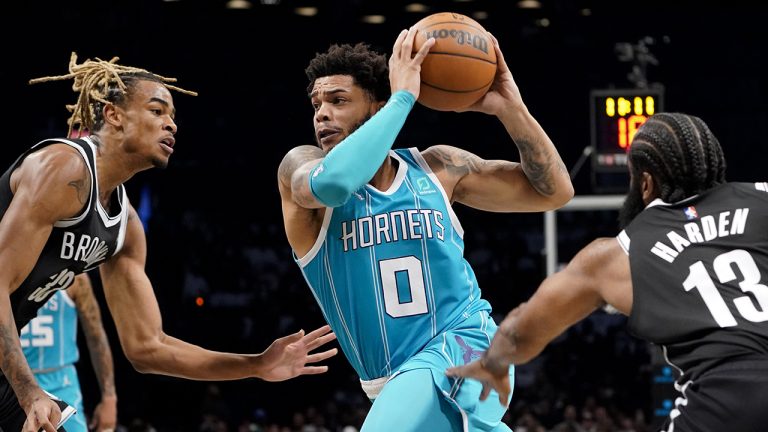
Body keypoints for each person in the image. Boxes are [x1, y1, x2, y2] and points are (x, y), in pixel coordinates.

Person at [0, 52, 338, 432]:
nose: (171, 124)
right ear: (113, 115)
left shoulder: (124, 226)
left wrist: (257, 364)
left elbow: (148, 348)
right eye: (158, 110)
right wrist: (30, 392)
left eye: (173, 116)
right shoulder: (65, 169)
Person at [277, 28, 574, 431]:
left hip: (464, 341)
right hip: (391, 380)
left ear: (378, 105)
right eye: (316, 103)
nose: (321, 113)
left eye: (338, 100)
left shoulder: (438, 168)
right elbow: (335, 183)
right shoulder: (301, 170)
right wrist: (403, 99)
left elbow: (555, 191)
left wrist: (511, 108)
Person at [446, 112, 768, 432]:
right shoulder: (762, 196)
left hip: (720, 405)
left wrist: (494, 365)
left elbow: (521, 332)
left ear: (645, 184)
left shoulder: (619, 254)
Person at [21, 273, 117, 432]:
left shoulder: (75, 277)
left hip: (61, 382)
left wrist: (109, 397)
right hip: (14, 384)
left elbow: (96, 336)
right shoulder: (6, 267)